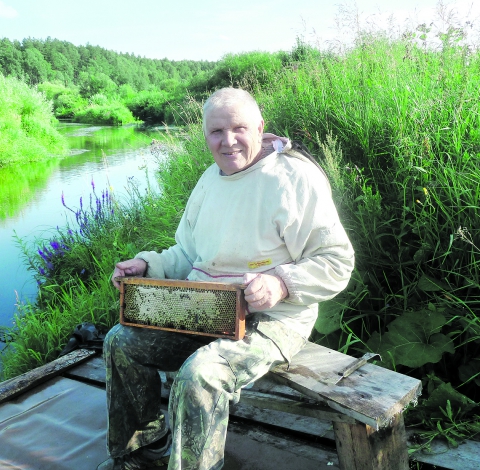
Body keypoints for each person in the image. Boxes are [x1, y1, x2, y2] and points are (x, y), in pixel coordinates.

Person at [99, 87, 355, 470]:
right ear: (205, 136)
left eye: (239, 128)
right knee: (121, 341)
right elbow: (187, 254)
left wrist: (282, 283)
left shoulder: (294, 179)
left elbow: (337, 261)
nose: (228, 141)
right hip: (205, 308)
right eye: (217, 131)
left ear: (259, 128)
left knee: (201, 374)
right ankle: (140, 452)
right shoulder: (209, 180)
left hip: (274, 320)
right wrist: (146, 265)